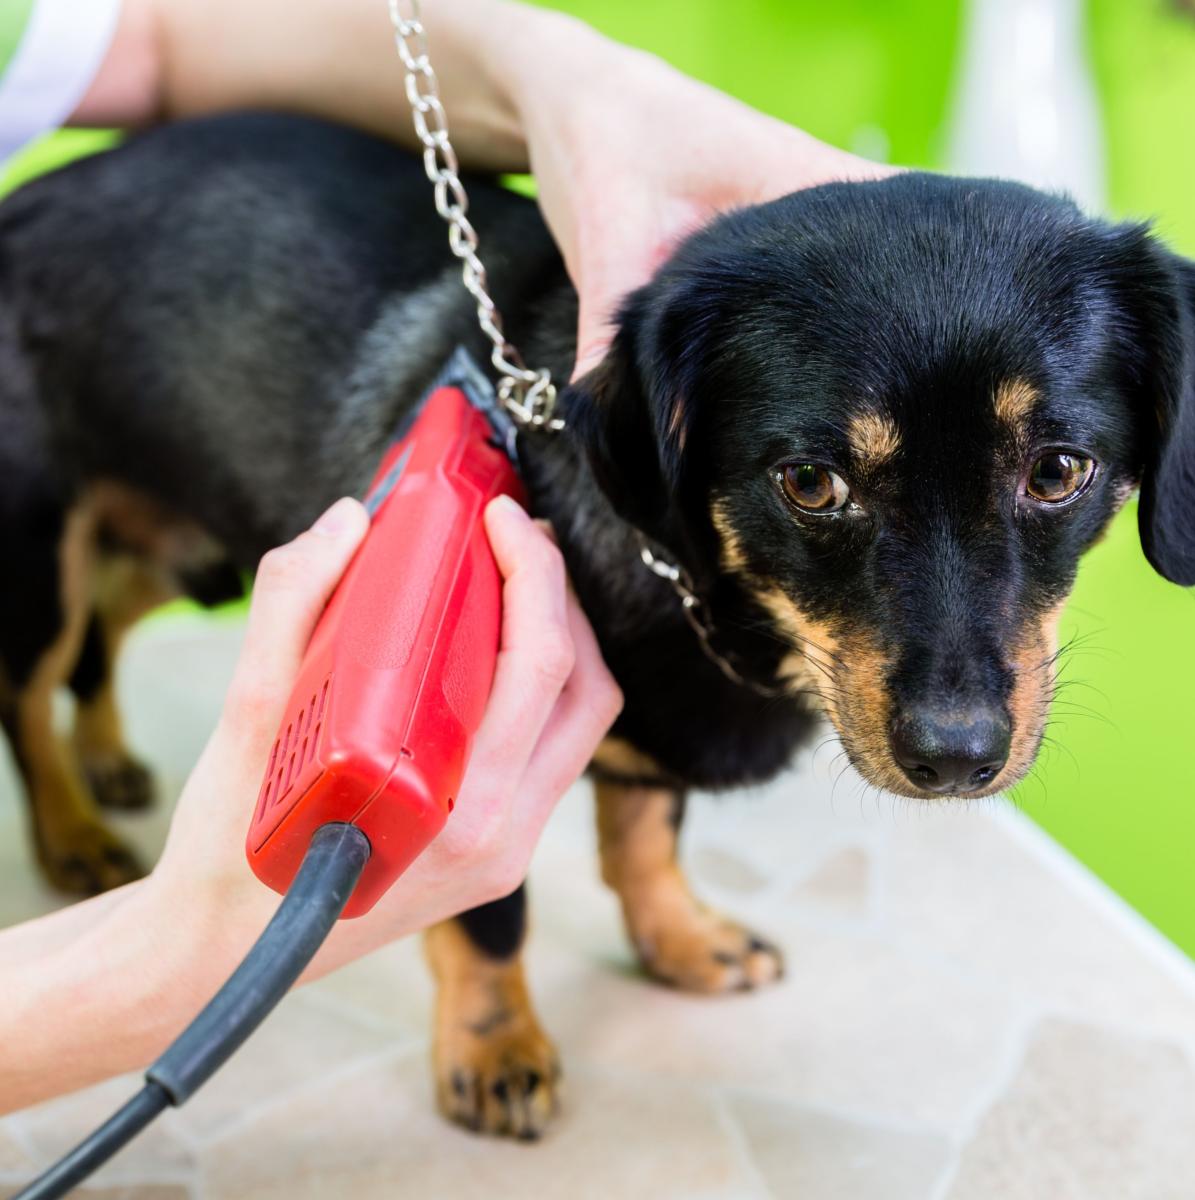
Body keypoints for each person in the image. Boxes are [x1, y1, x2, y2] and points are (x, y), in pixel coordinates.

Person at [0, 0, 885, 1112]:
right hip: (60, 307)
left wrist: (572, 82)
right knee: (44, 614)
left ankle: (648, 890)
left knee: (112, 602)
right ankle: (64, 776)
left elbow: (141, 40)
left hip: (215, 232)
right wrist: (169, 950)